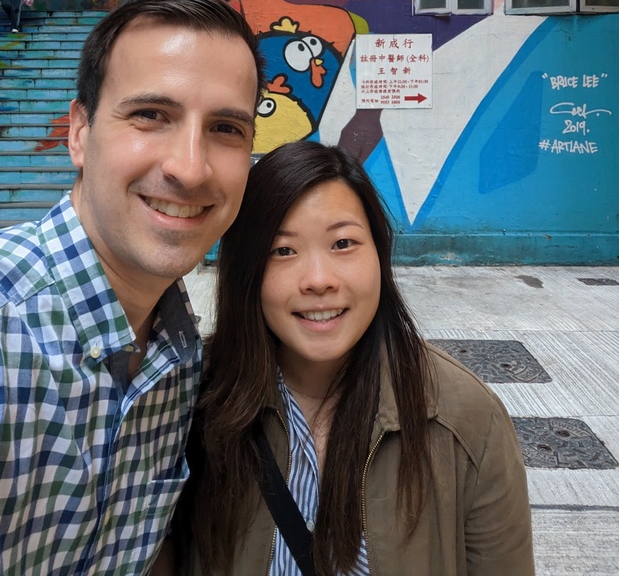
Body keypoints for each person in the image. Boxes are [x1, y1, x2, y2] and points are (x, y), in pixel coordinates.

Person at [0, 0, 265, 574]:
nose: (190, 167)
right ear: (78, 131)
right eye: (151, 115)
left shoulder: (176, 357)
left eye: (226, 129)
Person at [179, 140, 535, 576]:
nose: (318, 280)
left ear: (380, 256)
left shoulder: (465, 418)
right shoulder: (192, 400)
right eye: (283, 250)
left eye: (343, 243)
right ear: (245, 271)